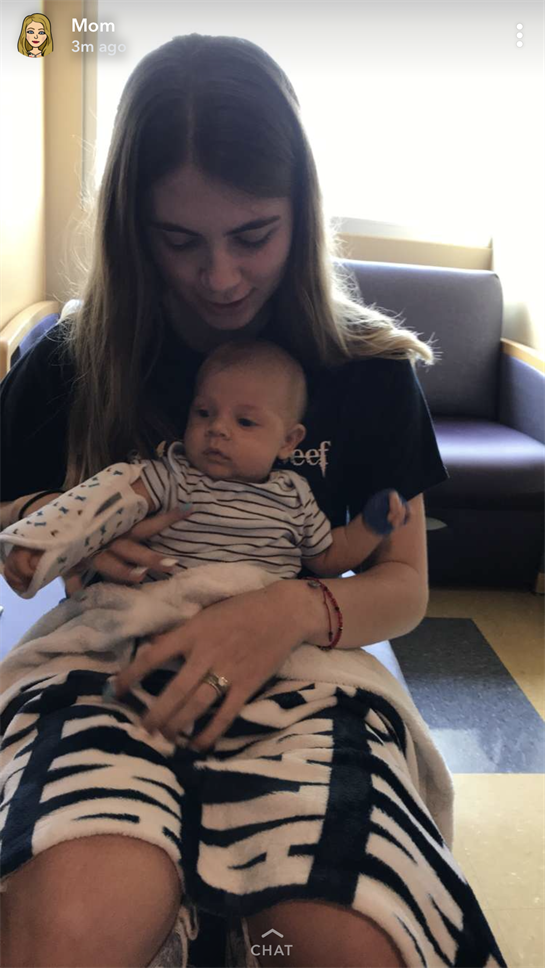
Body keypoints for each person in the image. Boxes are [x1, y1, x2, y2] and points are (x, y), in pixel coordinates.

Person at [0, 32, 506, 968]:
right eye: (179, 240)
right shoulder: (71, 358)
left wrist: (286, 612)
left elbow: (400, 587)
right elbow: (12, 526)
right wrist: (61, 532)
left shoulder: (368, 370)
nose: (221, 278)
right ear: (131, 226)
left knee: (345, 937)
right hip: (107, 668)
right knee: (75, 918)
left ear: (302, 214)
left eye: (253, 235)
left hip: (306, 679)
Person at [0, 339, 409, 599]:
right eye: (204, 413)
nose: (218, 429)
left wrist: (371, 526)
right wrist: (43, 541)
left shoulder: (294, 495)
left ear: (289, 441)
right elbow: (100, 505)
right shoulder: (173, 474)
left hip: (258, 621)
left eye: (244, 422)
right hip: (165, 606)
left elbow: (329, 558)